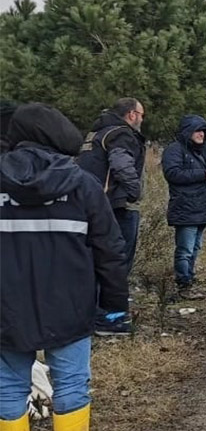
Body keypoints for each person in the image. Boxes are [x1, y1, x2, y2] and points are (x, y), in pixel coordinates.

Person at [0, 104, 129, 431]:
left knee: (6, 386)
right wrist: (116, 305)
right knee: (72, 382)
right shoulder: (83, 185)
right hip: (69, 304)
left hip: (5, 307)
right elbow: (110, 249)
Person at [77, 97, 146, 335]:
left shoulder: (94, 134)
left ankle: (93, 311)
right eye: (141, 114)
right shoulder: (121, 134)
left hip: (89, 205)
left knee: (95, 262)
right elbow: (121, 165)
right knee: (116, 263)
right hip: (116, 206)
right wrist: (135, 191)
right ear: (131, 114)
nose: (142, 119)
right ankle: (109, 316)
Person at [162, 115, 206, 301]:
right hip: (185, 208)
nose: (201, 134)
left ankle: (189, 278)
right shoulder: (174, 150)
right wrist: (204, 174)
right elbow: (173, 174)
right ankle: (184, 284)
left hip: (202, 209)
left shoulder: (203, 151)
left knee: (195, 248)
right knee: (185, 250)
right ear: (187, 131)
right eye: (197, 130)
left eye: (203, 131)